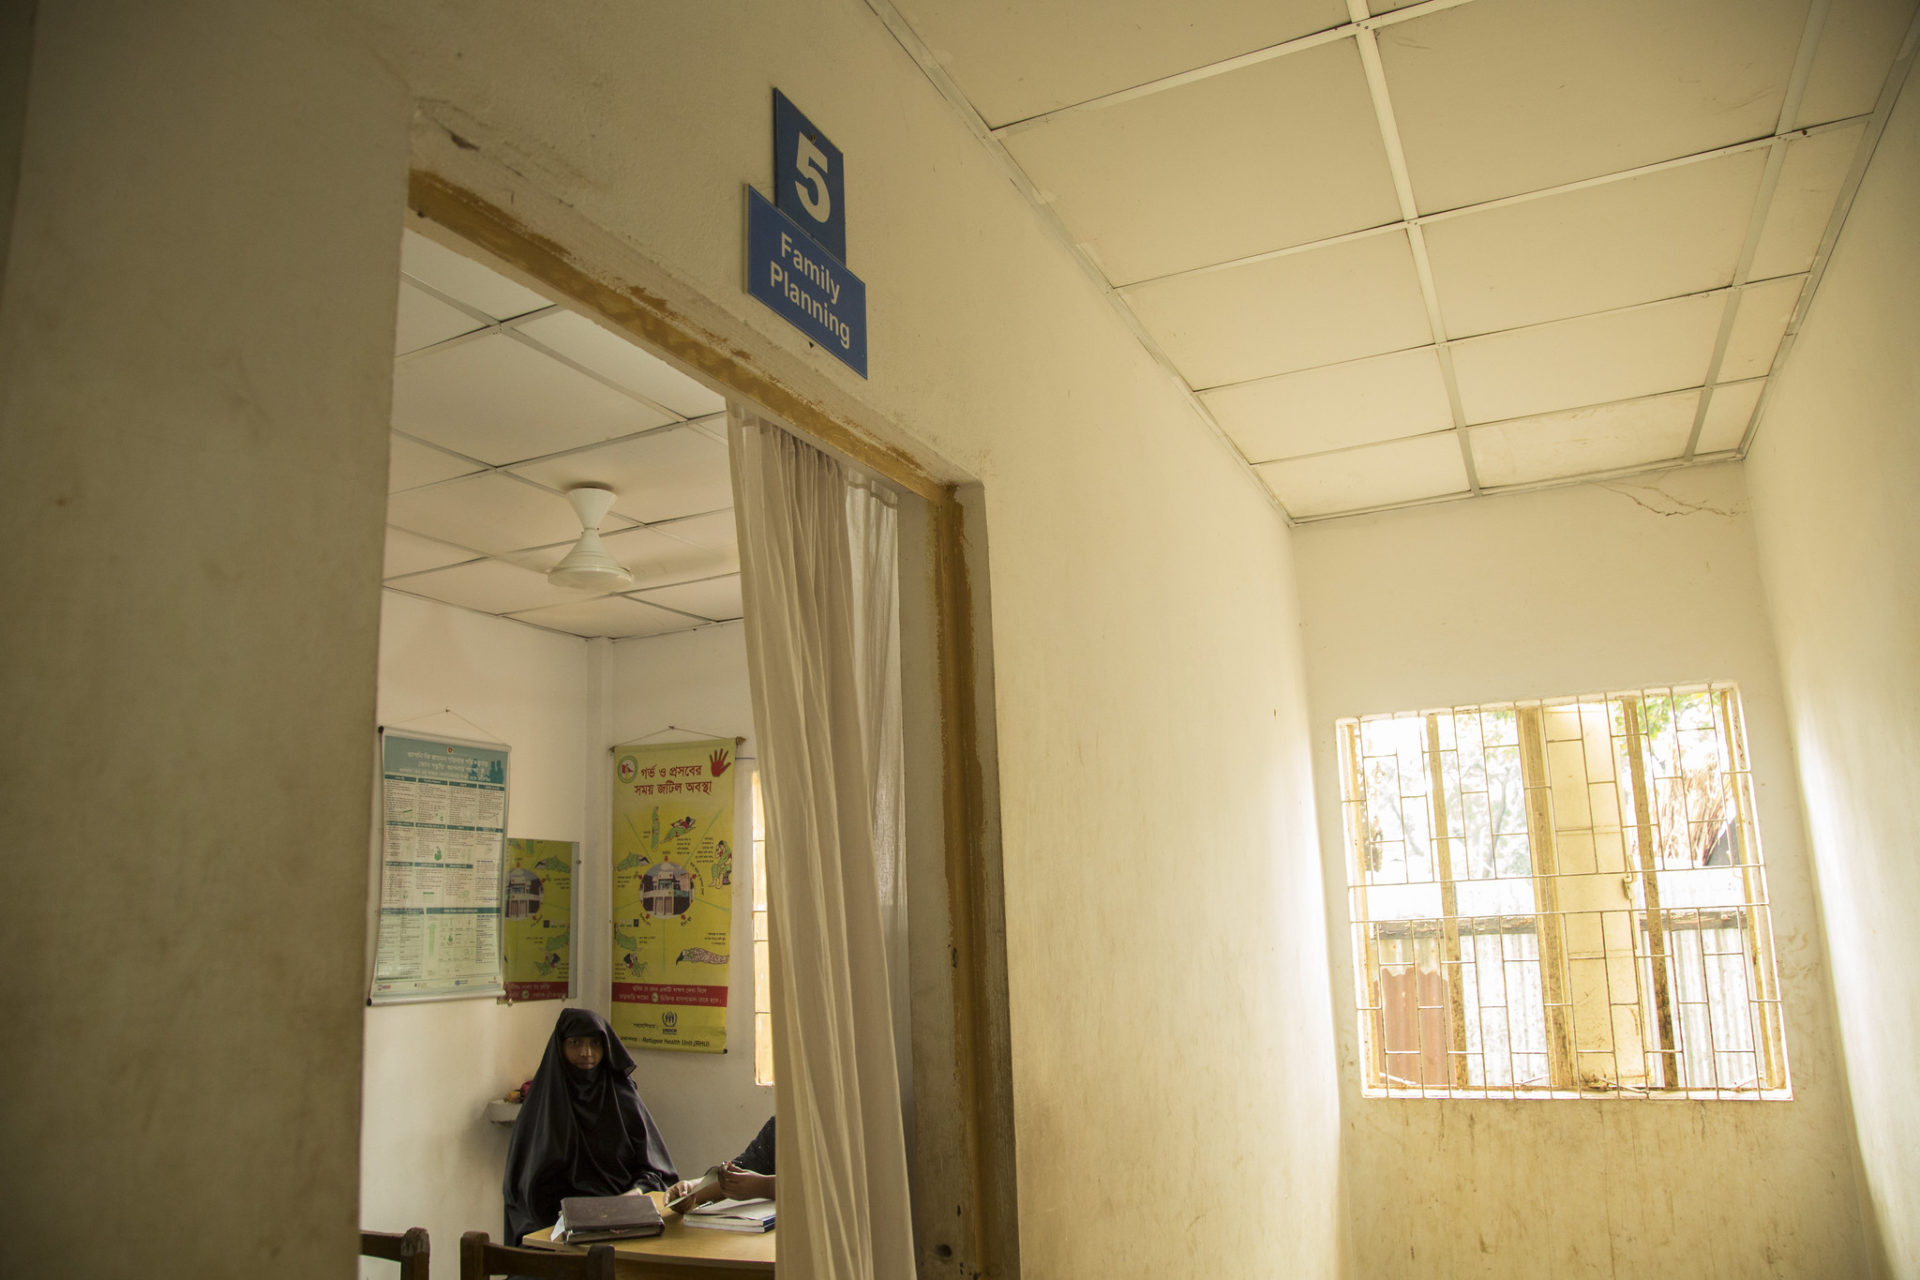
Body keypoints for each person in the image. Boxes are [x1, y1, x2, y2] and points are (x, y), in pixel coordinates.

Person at [503, 1008, 678, 1245]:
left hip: (625, 1223)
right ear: (560, 1048)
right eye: (575, 1043)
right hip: (554, 1228)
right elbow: (523, 1189)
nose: (586, 1053)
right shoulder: (542, 1104)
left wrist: (633, 1195)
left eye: (595, 1044)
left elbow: (656, 1172)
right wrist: (574, 1218)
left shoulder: (622, 1098)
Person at [668, 1115, 776, 1208]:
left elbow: (791, 1187)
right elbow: (740, 1174)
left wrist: (763, 1187)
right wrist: (691, 1190)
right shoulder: (777, 1126)